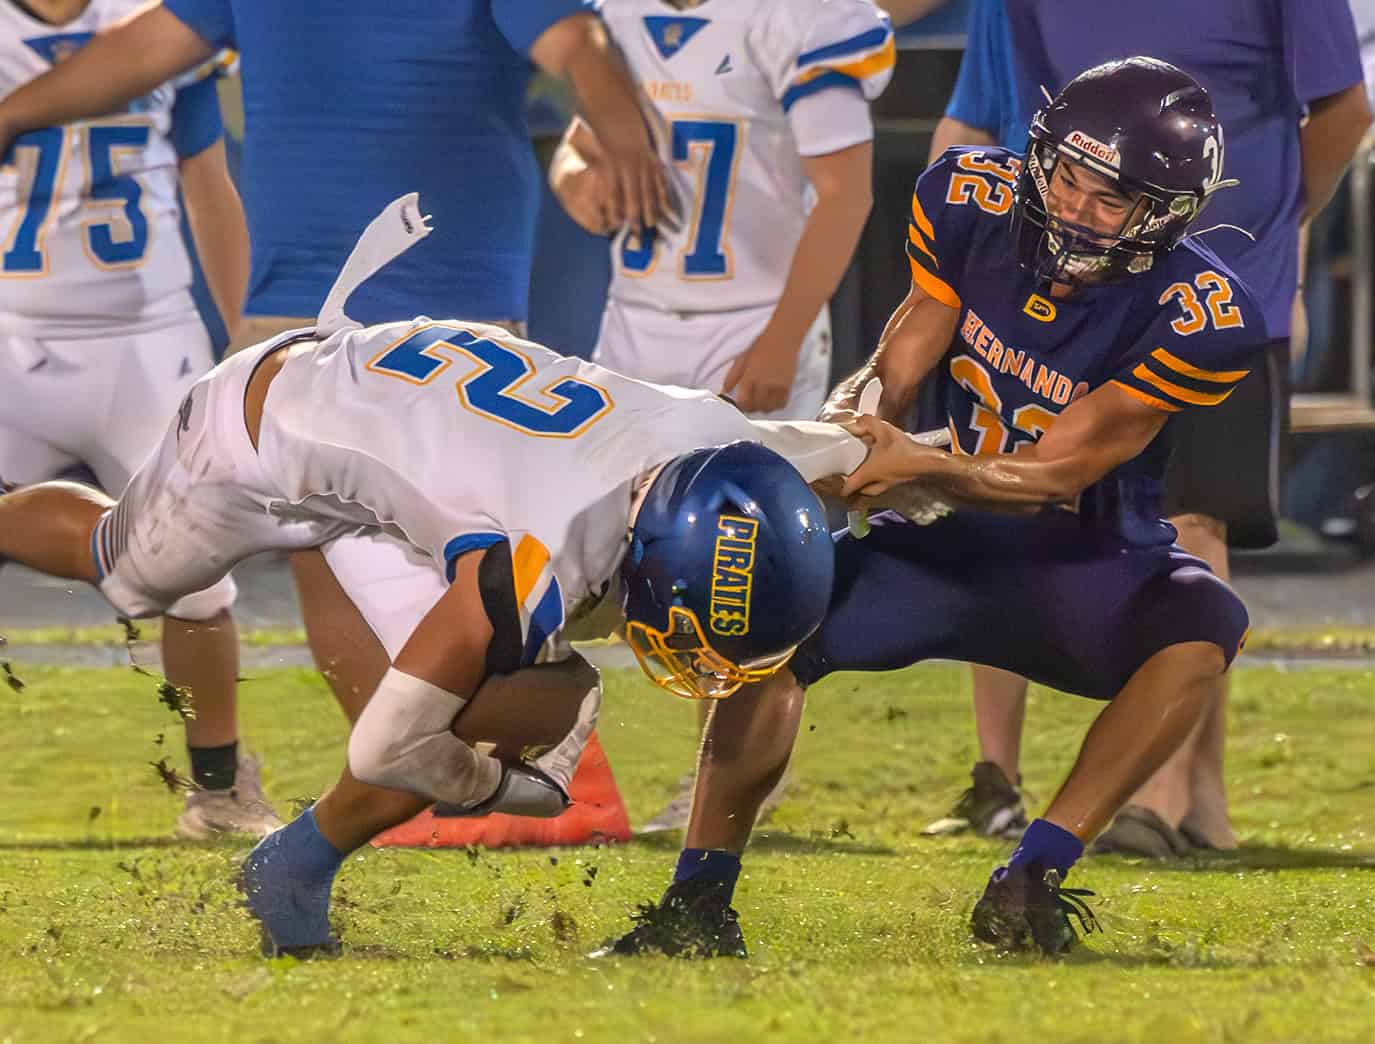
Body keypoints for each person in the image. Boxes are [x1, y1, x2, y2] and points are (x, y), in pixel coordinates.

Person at [0, 195, 879, 955]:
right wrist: (509, 791)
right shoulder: (550, 536)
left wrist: (966, 474)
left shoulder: (722, 448)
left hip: (402, 447)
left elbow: (865, 453)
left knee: (529, 699)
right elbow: (388, 746)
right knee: (122, 562)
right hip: (254, 438)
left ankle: (297, 863)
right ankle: (296, 865)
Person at [603, 58, 1269, 959]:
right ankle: (695, 904)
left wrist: (919, 461)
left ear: (1163, 215)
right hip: (935, 541)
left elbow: (1056, 473)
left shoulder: (1199, 312)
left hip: (1082, 558)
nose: (1074, 208)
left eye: (1109, 200)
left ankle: (1031, 875)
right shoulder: (969, 198)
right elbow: (908, 346)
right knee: (772, 631)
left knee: (1203, 628)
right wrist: (856, 422)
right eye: (1066, 178)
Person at [0, 0, 672, 772]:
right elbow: (139, 50)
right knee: (228, 551)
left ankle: (417, 773)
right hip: (299, 322)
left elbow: (577, 44)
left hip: (452, 314)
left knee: (483, 547)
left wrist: (619, 130)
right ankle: (401, 771)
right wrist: (14, 113)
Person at [934, 0, 1373, 857]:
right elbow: (987, 113)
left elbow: (1342, 108)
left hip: (1222, 284)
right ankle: (1195, 800)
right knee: (1054, 507)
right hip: (1076, 286)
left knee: (1189, 519)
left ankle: (1157, 798)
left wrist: (1274, 241)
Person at [549, 0, 895, 832]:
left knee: (740, 566)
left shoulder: (798, 18)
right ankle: (547, 750)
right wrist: (575, 183)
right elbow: (577, 140)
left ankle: (728, 784)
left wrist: (780, 337)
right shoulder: (617, 14)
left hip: (748, 320)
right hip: (632, 316)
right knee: (573, 545)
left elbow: (845, 193)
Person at [0, 0, 268, 838]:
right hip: (9, 330)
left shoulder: (156, 24)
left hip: (150, 342)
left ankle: (220, 793)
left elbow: (206, 182)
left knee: (193, 578)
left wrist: (244, 335)